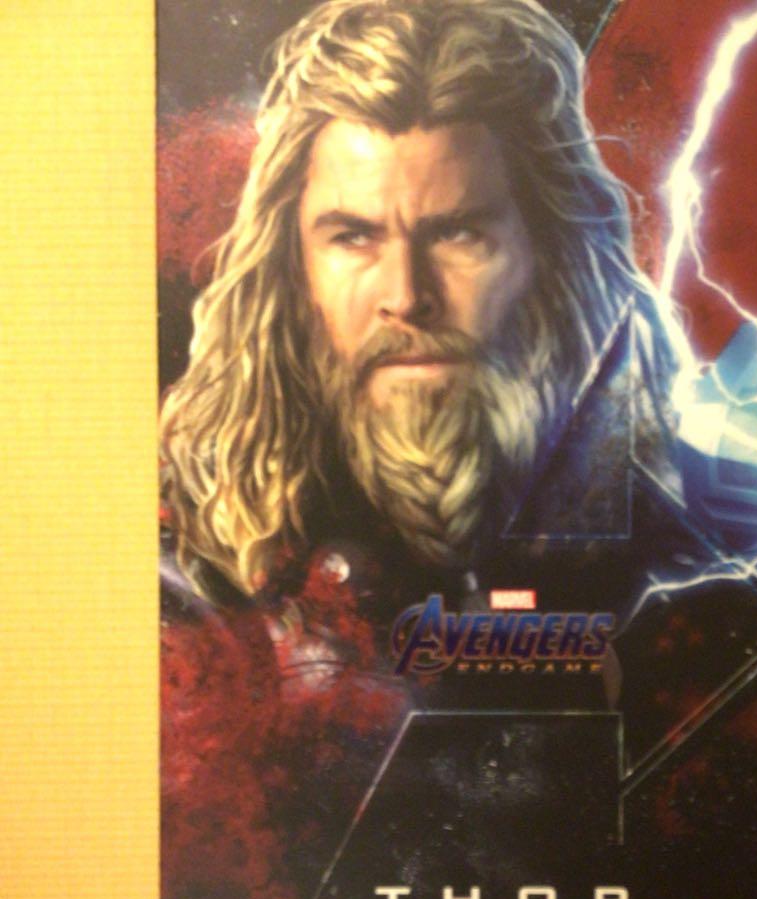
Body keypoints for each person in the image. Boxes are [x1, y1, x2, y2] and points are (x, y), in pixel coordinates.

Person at [160, 0, 683, 615]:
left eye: (458, 234)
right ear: (291, 267)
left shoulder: (696, 550)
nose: (407, 297)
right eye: (354, 237)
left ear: (551, 252)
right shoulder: (185, 578)